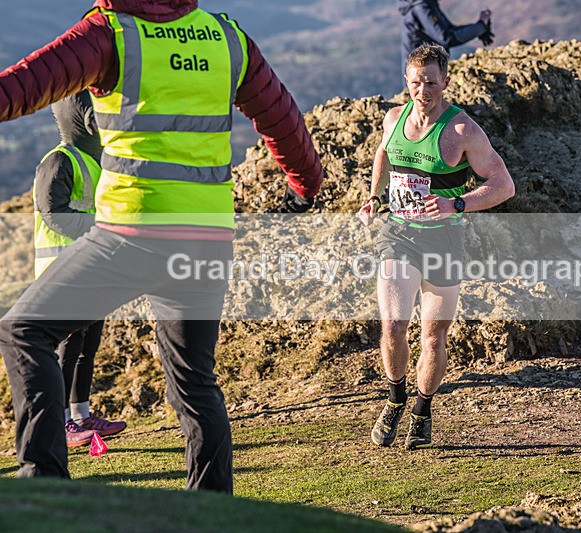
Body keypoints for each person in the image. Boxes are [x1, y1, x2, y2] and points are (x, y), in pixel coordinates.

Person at [0, 0, 323, 493]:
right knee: (195, 384)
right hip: (208, 240)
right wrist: (306, 185)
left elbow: (22, 87)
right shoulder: (226, 38)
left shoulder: (111, 34)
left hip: (132, 235)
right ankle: (211, 510)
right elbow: (282, 117)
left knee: (24, 330)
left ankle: (44, 485)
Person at [359, 44, 514, 450]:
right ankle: (395, 399)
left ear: (445, 81)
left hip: (445, 239)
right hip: (398, 234)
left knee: (433, 338)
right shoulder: (394, 118)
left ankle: (423, 409)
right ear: (405, 82)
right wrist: (374, 197)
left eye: (430, 82)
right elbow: (383, 155)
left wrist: (457, 202)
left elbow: (504, 185)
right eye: (415, 83)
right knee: (393, 326)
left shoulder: (463, 131)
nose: (422, 91)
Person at [34, 90, 126, 448]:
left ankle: (81, 417)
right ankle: (61, 424)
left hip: (93, 266)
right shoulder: (59, 160)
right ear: (87, 120)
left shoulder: (98, 161)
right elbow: (52, 212)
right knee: (67, 347)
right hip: (62, 268)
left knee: (88, 344)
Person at [398, 0, 494, 73]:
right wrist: (481, 27)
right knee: (415, 99)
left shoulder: (426, 4)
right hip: (421, 74)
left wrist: (479, 28)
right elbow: (446, 38)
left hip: (427, 72)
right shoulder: (421, 7)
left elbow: (449, 30)